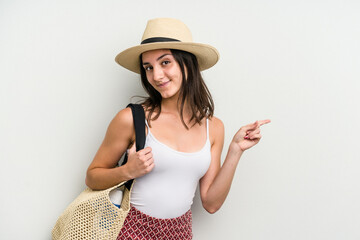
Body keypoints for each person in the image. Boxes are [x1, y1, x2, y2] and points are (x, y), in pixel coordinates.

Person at [85, 18, 271, 239]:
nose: (156, 75)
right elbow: (92, 177)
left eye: (165, 62)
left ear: (187, 64)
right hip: (128, 230)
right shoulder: (132, 118)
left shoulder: (214, 127)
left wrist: (235, 150)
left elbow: (211, 203)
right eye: (148, 67)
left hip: (180, 233)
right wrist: (127, 171)